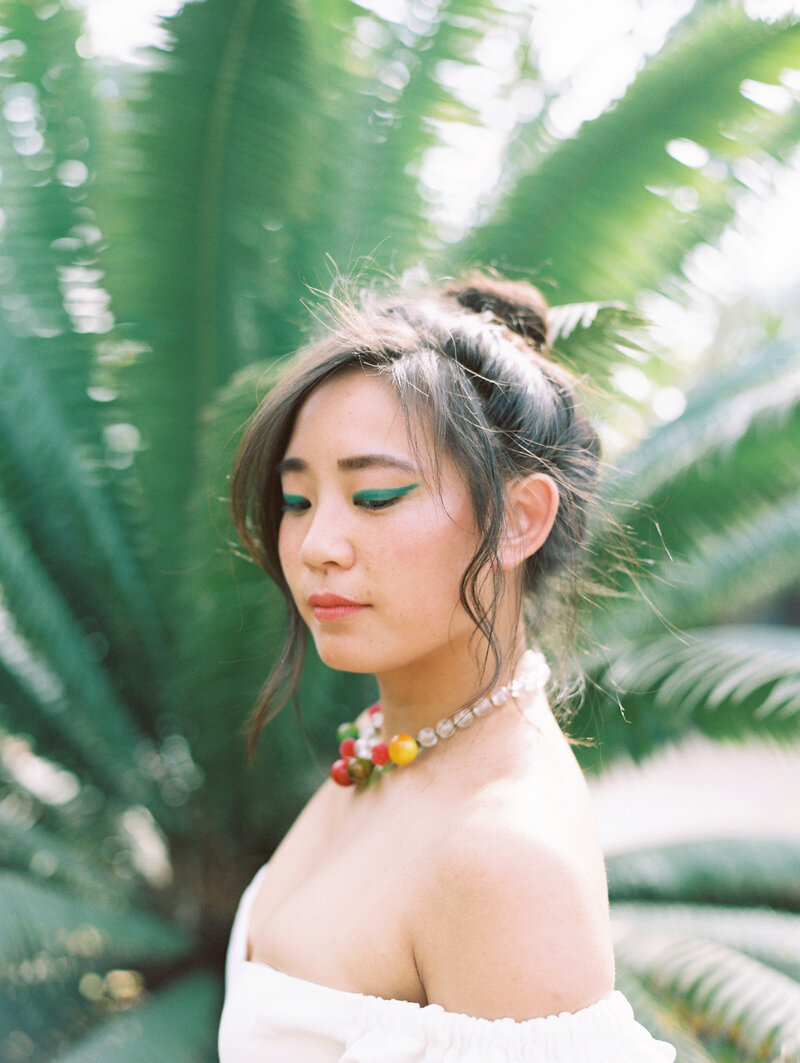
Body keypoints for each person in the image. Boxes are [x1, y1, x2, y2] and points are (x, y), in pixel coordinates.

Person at [218, 274, 676, 1061]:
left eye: (376, 495)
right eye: (297, 501)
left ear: (520, 519)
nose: (317, 543)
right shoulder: (388, 747)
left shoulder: (501, 857)